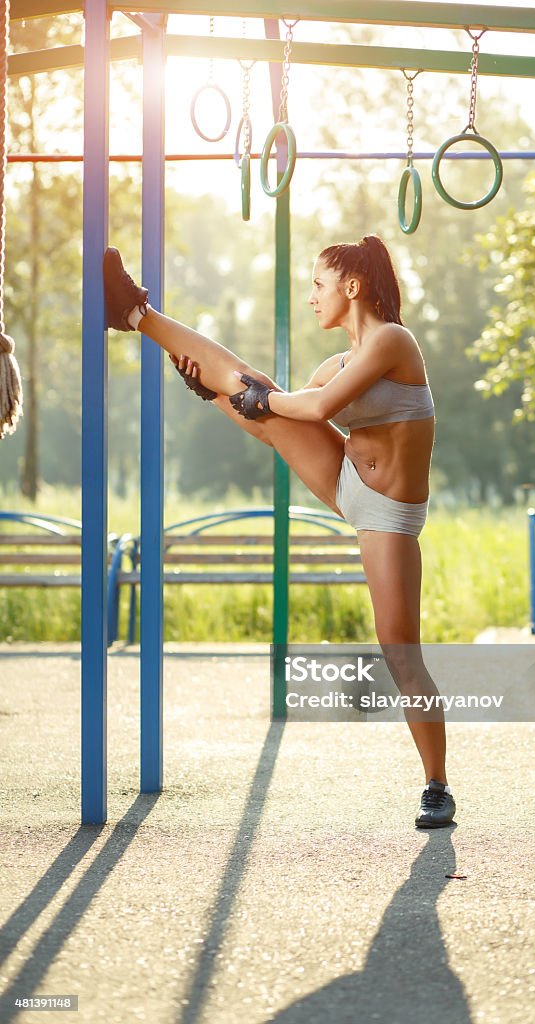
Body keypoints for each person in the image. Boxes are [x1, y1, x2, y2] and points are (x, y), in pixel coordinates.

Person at [103, 235, 455, 829]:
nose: (312, 297)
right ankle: (134, 312)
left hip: (387, 514)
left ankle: (437, 784)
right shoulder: (334, 363)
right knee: (253, 385)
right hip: (348, 478)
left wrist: (253, 396)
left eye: (319, 284)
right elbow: (273, 421)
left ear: (352, 285)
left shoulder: (393, 341)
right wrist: (217, 393)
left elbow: (311, 410)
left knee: (401, 654)